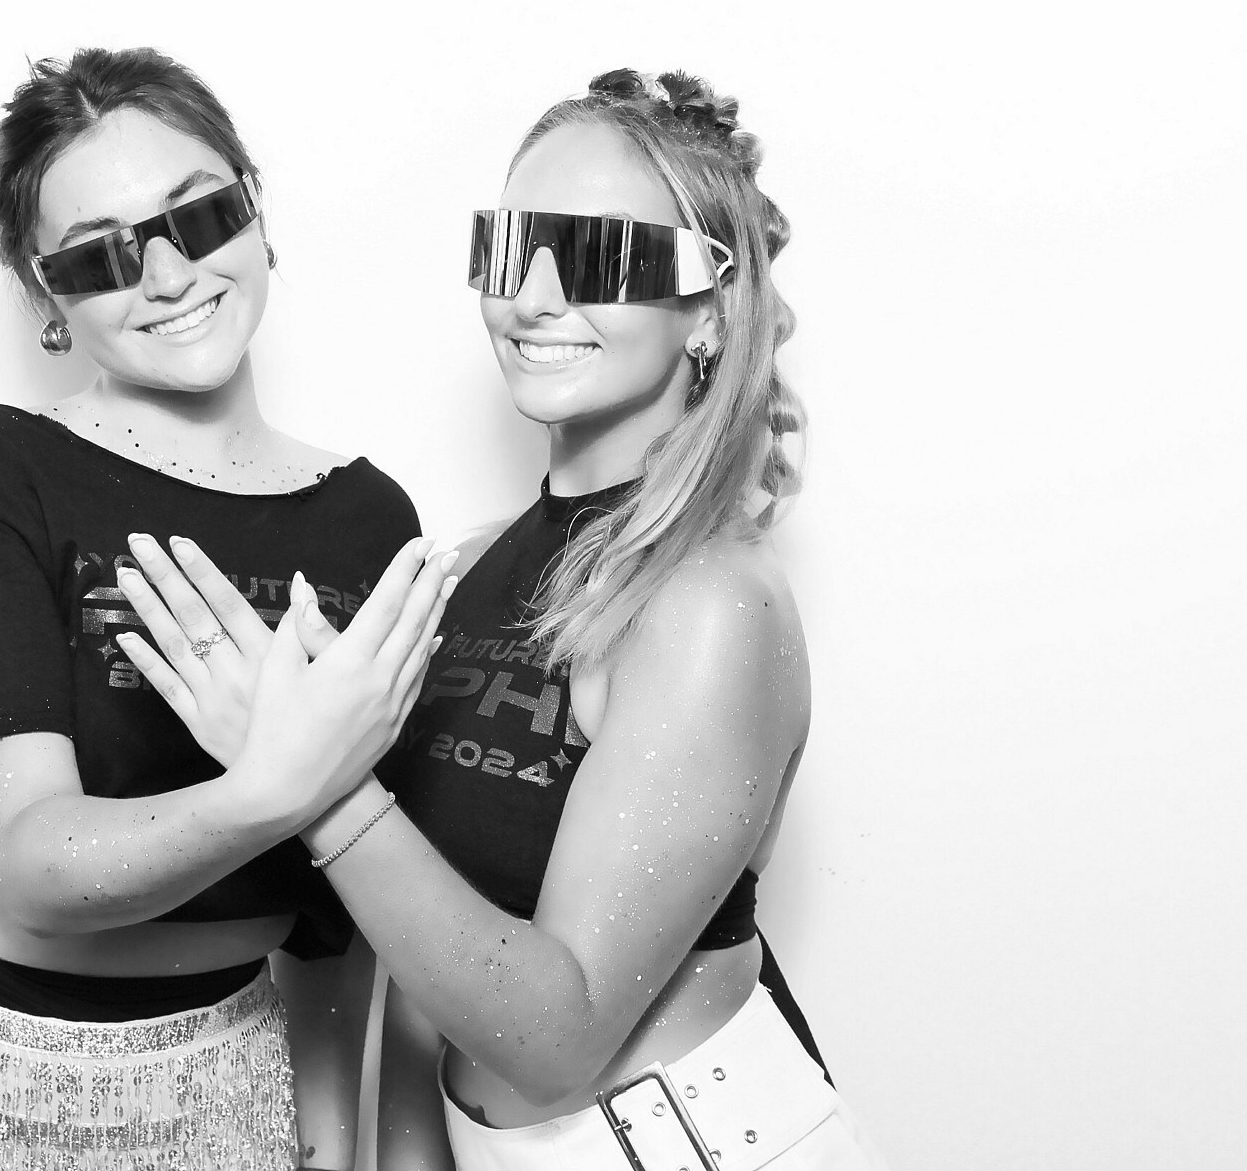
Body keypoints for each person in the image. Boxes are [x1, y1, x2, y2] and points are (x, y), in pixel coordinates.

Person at [117, 69, 887, 1169]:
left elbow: (555, 1039)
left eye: (598, 256)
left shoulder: (707, 603)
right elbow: (430, 954)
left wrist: (310, 779)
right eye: (511, 246)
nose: (531, 297)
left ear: (709, 309)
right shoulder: (470, 569)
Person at [0, 46, 448, 1171]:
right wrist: (279, 785)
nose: (168, 275)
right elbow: (36, 868)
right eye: (100, 254)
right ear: (45, 295)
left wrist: (325, 1131)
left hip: (222, 1084)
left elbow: (342, 911)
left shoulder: (372, 520)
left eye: (201, 214)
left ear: (256, 213)